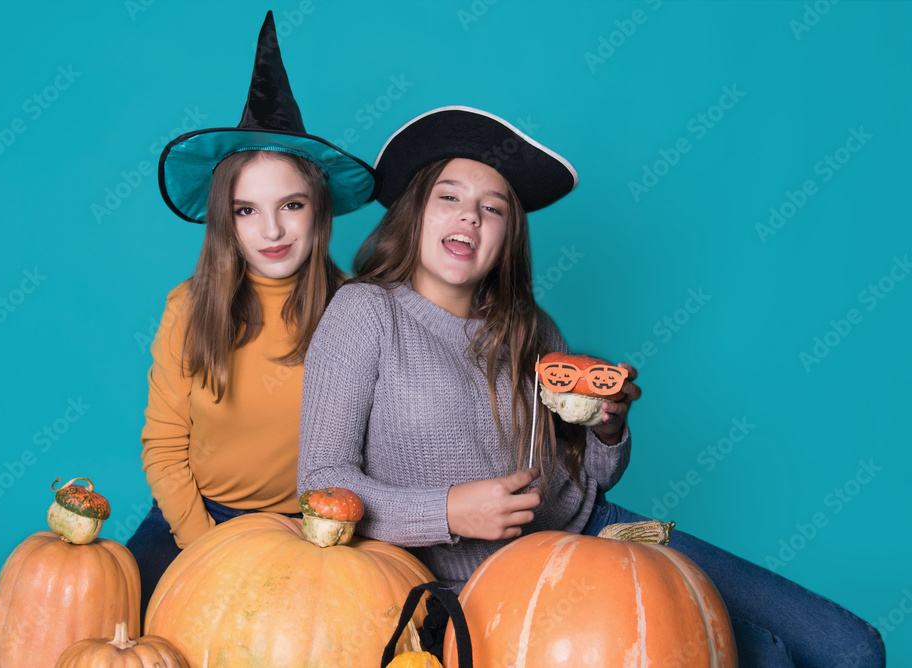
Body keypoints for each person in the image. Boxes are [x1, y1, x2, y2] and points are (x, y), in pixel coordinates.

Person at [297, 106, 885, 667]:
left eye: (492, 208)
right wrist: (448, 510)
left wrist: (608, 428)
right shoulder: (365, 313)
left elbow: (588, 475)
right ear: (414, 211)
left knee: (850, 649)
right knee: (769, 658)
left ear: (508, 235)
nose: (469, 217)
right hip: (480, 582)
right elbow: (322, 484)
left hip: (593, 532)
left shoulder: (534, 328)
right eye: (449, 197)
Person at [126, 12, 377, 621]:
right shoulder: (189, 307)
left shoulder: (360, 311)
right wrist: (207, 548)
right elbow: (164, 447)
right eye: (247, 210)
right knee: (119, 610)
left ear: (319, 211)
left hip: (318, 526)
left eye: (291, 205)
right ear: (225, 220)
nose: (271, 230)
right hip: (200, 515)